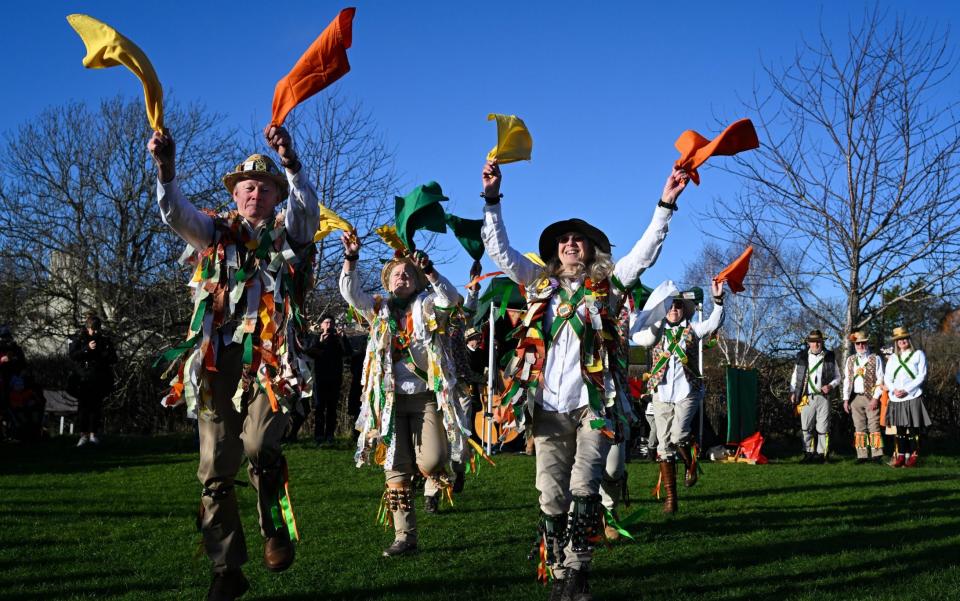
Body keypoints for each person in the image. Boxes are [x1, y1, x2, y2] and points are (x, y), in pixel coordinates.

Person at [480, 158, 689, 599]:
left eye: (579, 239)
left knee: (583, 488)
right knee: (550, 497)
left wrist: (665, 203)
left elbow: (643, 254)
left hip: (596, 406)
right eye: (564, 240)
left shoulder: (608, 288)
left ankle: (579, 571)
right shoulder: (538, 285)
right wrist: (493, 198)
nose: (571, 243)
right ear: (557, 251)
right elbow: (500, 250)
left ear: (591, 250)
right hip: (549, 410)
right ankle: (557, 574)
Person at [148, 124, 318, 601]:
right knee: (213, 467)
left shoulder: (291, 235)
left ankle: (274, 528)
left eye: (265, 189)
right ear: (235, 193)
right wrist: (166, 170)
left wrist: (291, 162)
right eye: (248, 187)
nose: (255, 194)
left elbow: (306, 211)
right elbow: (174, 212)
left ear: (275, 196)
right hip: (217, 359)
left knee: (261, 446)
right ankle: (226, 568)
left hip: (271, 361)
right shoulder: (213, 232)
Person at [339, 235, 466, 557]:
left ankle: (442, 472)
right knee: (395, 468)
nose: (402, 277)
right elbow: (350, 293)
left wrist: (432, 271)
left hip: (425, 396)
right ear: (388, 280)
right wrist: (351, 259)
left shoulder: (428, 305)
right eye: (397, 273)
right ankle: (404, 537)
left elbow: (452, 299)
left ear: (418, 278)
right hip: (389, 401)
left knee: (433, 461)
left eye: (409, 273)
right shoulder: (377, 308)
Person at [630, 281, 725, 513]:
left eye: (678, 306)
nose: (674, 310)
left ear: (684, 309)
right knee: (663, 446)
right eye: (670, 306)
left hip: (687, 391)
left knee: (679, 434)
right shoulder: (655, 330)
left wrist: (718, 301)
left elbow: (714, 323)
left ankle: (690, 463)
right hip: (661, 392)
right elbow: (635, 333)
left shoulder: (693, 330)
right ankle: (671, 499)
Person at [790, 329, 840, 464]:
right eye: (813, 342)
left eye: (818, 342)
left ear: (822, 342)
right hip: (806, 397)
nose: (816, 344)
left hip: (824, 397)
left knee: (823, 428)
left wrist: (830, 386)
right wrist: (793, 392)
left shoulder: (830, 356)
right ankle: (808, 453)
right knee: (806, 427)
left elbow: (838, 377)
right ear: (809, 343)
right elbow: (795, 377)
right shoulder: (801, 356)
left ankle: (822, 455)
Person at [883, 327, 931, 468]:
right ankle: (902, 455)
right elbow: (887, 377)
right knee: (900, 429)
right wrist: (894, 390)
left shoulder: (918, 354)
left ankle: (914, 454)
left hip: (912, 395)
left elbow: (921, 375)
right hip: (897, 397)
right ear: (896, 343)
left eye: (904, 339)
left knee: (913, 427)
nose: (902, 341)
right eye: (899, 340)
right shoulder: (893, 358)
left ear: (908, 340)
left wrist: (906, 389)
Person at [68, 314, 117, 447]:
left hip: (99, 378)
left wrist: (102, 353)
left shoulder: (104, 340)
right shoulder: (79, 338)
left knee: (96, 408)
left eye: (97, 329)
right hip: (83, 379)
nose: (95, 332)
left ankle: (93, 434)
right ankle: (83, 434)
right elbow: (72, 355)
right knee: (83, 407)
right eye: (92, 329)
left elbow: (113, 358)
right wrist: (86, 349)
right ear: (87, 328)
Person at [304, 314, 349, 445]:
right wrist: (320, 343)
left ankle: (330, 435)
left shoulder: (338, 339)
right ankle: (318, 436)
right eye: (326, 323)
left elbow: (348, 353)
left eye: (331, 323)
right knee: (319, 407)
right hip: (320, 378)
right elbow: (308, 353)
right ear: (322, 325)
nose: (329, 325)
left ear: (334, 325)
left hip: (335, 378)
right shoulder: (316, 338)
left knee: (332, 408)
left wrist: (342, 339)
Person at [841, 331, 884, 463]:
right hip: (855, 398)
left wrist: (876, 398)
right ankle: (862, 456)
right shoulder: (850, 360)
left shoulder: (875, 358)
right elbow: (847, 380)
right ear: (855, 345)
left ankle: (877, 455)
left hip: (871, 397)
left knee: (874, 426)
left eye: (863, 343)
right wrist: (846, 399)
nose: (861, 345)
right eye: (858, 343)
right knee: (859, 427)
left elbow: (880, 379)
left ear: (867, 343)